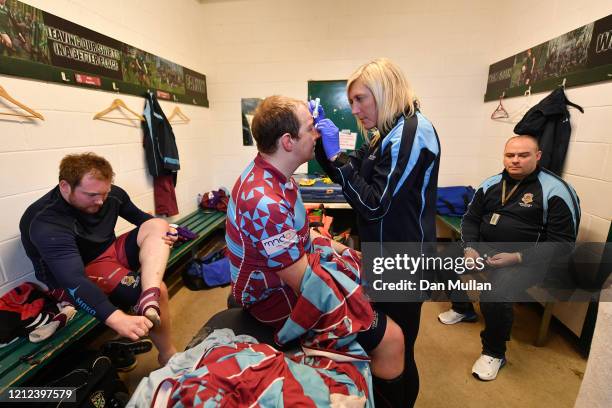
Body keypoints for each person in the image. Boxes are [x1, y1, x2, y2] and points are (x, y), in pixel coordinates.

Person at [225, 95, 407, 407]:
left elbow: (303, 236)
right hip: (274, 298)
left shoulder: (279, 178)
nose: (318, 134)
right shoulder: (264, 200)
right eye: (311, 128)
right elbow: (305, 283)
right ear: (287, 141)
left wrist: (352, 258)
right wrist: (359, 295)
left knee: (369, 276)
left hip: (290, 278)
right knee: (391, 338)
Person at [314, 57, 441, 407]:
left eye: (361, 99)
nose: (354, 109)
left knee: (397, 347)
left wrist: (337, 158)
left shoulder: (413, 132)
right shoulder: (387, 133)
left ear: (385, 92)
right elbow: (361, 174)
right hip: (383, 254)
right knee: (384, 346)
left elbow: (373, 204)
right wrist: (329, 155)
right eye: (351, 101)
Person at [437, 134, 580, 381]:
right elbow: (471, 219)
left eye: (523, 155)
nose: (515, 160)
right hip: (485, 249)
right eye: (509, 155)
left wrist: (517, 257)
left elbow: (562, 245)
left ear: (537, 156)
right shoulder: (491, 184)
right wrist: (470, 248)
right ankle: (463, 309)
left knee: (495, 292)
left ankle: (494, 352)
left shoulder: (556, 191)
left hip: (530, 260)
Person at [20, 153, 178, 365]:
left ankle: (148, 296)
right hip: (79, 272)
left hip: (110, 253)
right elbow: (74, 280)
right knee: (163, 291)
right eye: (92, 195)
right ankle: (168, 356)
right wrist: (116, 318)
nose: (100, 200)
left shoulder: (110, 196)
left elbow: (143, 221)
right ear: (65, 186)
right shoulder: (45, 221)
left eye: (105, 192)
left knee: (159, 225)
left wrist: (169, 232)